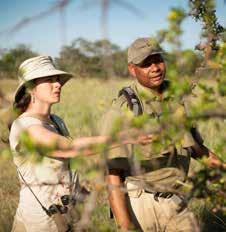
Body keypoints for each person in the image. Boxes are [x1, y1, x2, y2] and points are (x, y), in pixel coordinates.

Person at [101, 38, 223, 232]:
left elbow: (195, 149)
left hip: (176, 200)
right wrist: (125, 226)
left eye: (157, 60)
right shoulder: (124, 110)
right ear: (133, 69)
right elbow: (113, 175)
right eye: (146, 64)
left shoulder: (175, 100)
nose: (155, 68)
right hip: (141, 204)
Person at [9, 56, 110, 232]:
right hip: (41, 220)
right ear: (31, 88)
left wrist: (81, 193)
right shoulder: (24, 126)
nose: (58, 85)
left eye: (57, 80)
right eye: (49, 80)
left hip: (66, 215)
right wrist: (121, 138)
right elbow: (69, 149)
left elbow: (64, 168)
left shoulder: (56, 121)